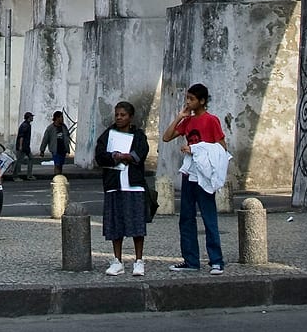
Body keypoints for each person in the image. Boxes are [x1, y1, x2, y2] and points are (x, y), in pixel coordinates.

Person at [161, 82, 228, 275]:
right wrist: (180, 117)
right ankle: (191, 260)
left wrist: (196, 149)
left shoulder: (211, 120)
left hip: (204, 175)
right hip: (189, 173)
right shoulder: (188, 122)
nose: (188, 102)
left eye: (191, 99)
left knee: (209, 217)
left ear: (202, 101)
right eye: (187, 99)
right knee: (186, 218)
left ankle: (216, 261)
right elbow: (167, 137)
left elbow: (221, 148)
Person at [96, 100, 150, 277]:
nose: (119, 118)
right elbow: (100, 155)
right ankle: (117, 260)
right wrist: (115, 156)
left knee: (136, 224)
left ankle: (138, 260)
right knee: (116, 224)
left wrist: (129, 156)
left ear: (130, 117)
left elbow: (142, 152)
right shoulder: (107, 135)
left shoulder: (139, 135)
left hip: (134, 184)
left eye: (123, 115)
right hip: (114, 184)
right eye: (117, 115)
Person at [38, 110, 72, 177]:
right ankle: (57, 176)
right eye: (61, 117)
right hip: (55, 149)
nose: (62, 119)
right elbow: (45, 139)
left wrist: (68, 146)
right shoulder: (50, 128)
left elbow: (67, 135)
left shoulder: (63, 127)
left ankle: (59, 175)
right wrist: (42, 150)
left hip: (63, 149)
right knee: (57, 164)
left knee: (61, 165)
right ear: (57, 118)